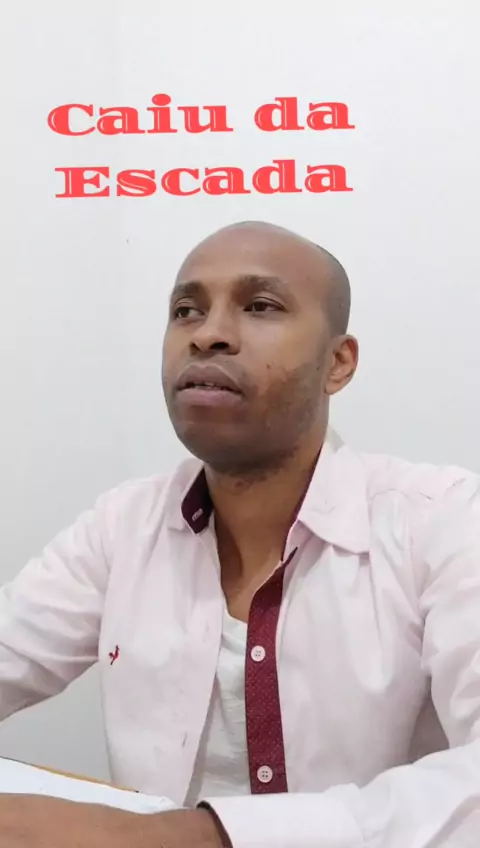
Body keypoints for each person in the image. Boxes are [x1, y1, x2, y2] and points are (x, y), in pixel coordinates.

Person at [1, 220, 480, 848]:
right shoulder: (124, 526)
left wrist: (195, 837)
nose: (208, 334)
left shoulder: (442, 521)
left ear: (338, 363)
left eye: (260, 306)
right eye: (186, 311)